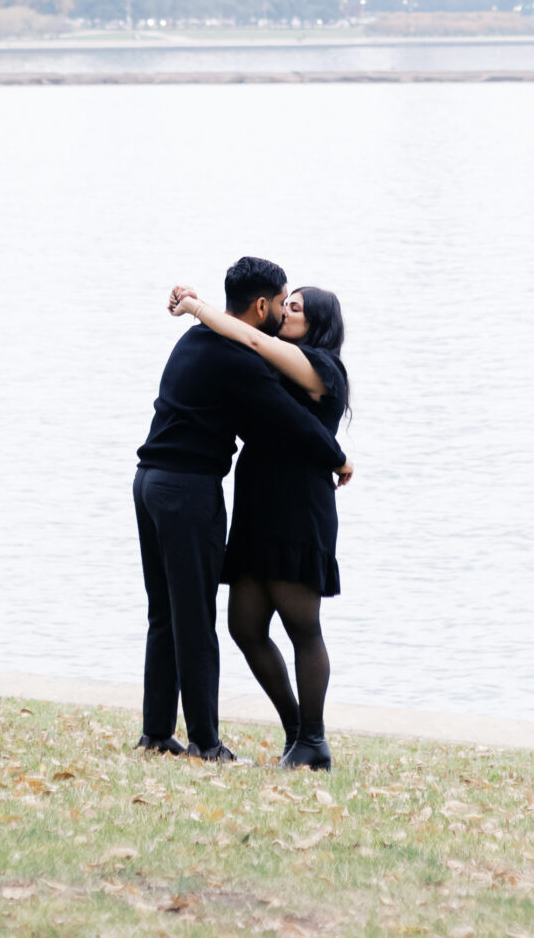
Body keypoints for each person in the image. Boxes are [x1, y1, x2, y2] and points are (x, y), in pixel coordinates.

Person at [135, 255, 350, 763]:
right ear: (262, 305)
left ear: (316, 323)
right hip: (222, 500)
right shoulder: (242, 358)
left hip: (285, 507)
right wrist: (339, 456)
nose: (285, 311)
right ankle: (207, 740)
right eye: (283, 303)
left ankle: (304, 739)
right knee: (220, 623)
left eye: (295, 307)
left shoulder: (310, 367)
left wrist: (195, 307)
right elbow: (262, 370)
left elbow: (294, 420)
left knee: (285, 626)